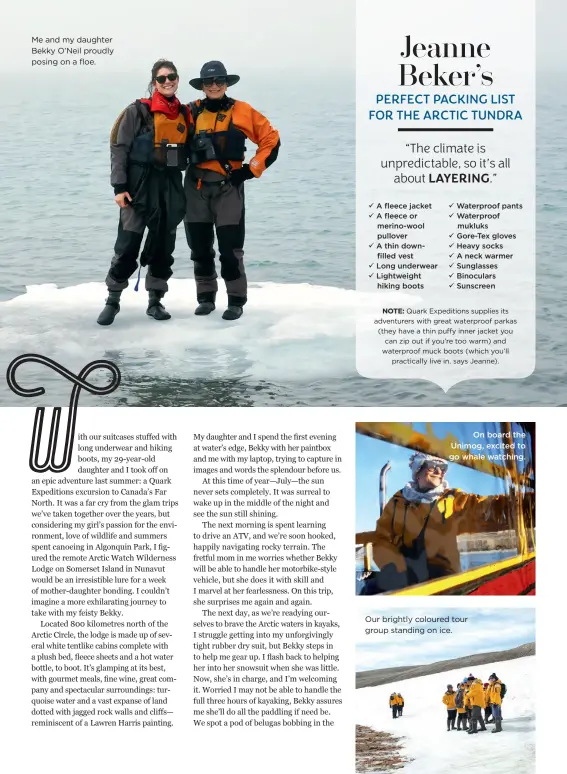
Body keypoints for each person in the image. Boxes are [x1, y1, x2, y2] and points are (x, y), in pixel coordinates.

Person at [184, 61, 280, 320]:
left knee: (230, 248)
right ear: (202, 86)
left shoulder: (242, 111)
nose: (214, 86)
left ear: (226, 84)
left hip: (229, 188)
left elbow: (271, 139)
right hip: (195, 187)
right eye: (208, 82)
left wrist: (251, 169)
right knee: (200, 247)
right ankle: (205, 297)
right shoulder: (189, 111)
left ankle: (236, 300)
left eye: (219, 81)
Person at [97, 59, 190, 325]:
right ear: (154, 83)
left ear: (177, 79)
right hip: (137, 190)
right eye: (162, 78)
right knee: (127, 246)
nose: (167, 81)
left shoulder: (184, 114)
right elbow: (118, 148)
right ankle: (112, 300)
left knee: (163, 248)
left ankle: (155, 301)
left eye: (172, 76)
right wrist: (119, 187)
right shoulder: (135, 112)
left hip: (169, 189)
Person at [357, 452, 509, 592]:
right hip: (404, 578)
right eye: (433, 466)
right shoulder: (398, 501)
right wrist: (394, 569)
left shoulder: (453, 499)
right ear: (417, 471)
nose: (439, 471)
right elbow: (382, 538)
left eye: (443, 467)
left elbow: (491, 509)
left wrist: (528, 503)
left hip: (443, 583)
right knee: (370, 590)